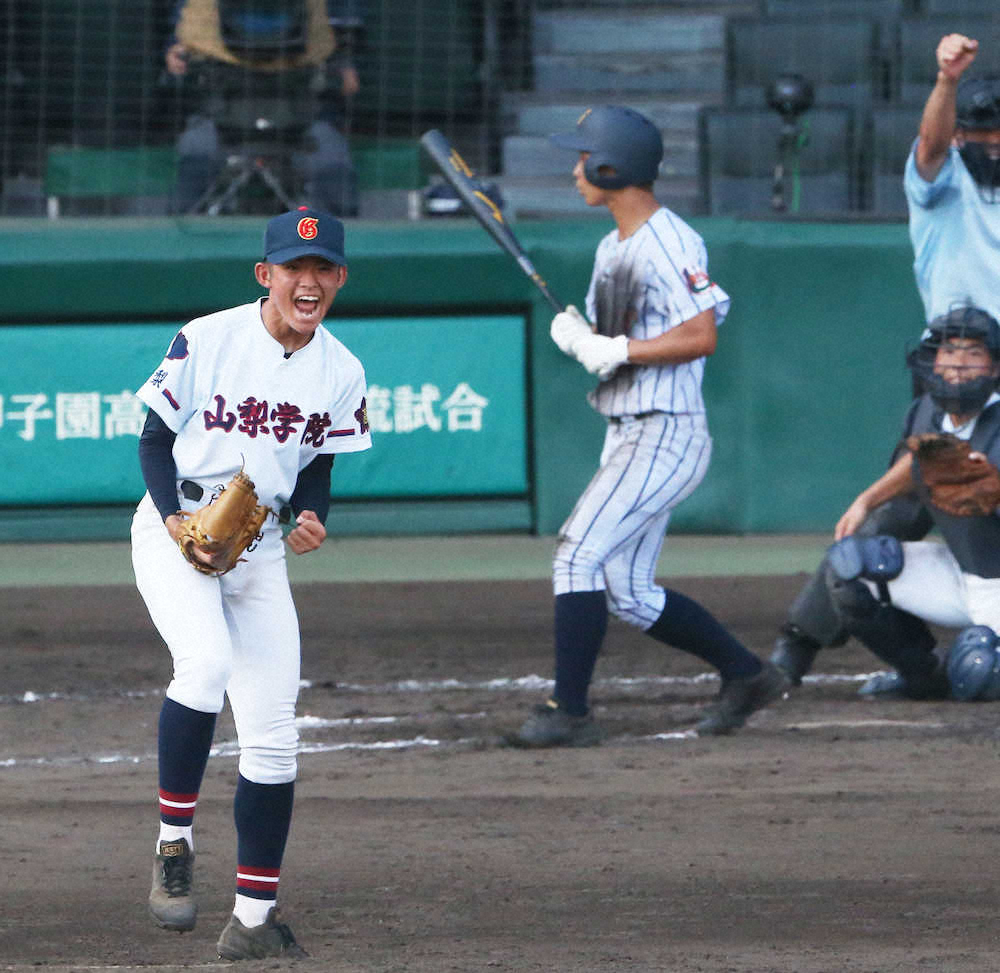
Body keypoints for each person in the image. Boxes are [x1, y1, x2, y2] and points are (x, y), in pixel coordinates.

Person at [132, 206, 371, 958]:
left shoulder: (342, 369)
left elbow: (319, 467)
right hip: (176, 527)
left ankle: (255, 921)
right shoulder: (210, 338)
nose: (309, 281)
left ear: (338, 279)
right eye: (293, 269)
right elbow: (154, 439)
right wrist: (172, 518)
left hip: (258, 547)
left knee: (274, 736)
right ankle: (173, 844)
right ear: (265, 275)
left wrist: (311, 516)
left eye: (322, 269)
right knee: (203, 666)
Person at [508, 106, 789, 747]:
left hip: (666, 431)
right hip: (630, 429)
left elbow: (701, 335)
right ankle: (748, 675)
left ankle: (568, 711)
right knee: (626, 590)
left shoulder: (671, 240)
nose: (575, 168)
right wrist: (585, 340)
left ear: (613, 166)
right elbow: (625, 341)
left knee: (577, 556)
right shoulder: (613, 246)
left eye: (584, 157)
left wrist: (620, 352)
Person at [768, 31, 1000, 688]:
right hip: (952, 375)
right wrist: (948, 84)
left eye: (995, 134)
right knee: (889, 516)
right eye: (974, 133)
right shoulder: (939, 183)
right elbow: (928, 147)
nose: (985, 144)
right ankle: (800, 642)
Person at [798, 306, 1000, 700]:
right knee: (852, 570)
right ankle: (923, 675)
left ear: (994, 368)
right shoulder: (927, 411)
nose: (958, 364)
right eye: (949, 351)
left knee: (978, 673)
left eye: (973, 353)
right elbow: (919, 460)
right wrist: (866, 500)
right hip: (966, 576)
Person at [165, 0, 360, 217]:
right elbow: (177, 52)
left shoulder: (320, 17)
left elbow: (345, 69)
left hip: (303, 116)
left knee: (331, 164)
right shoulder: (200, 16)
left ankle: (332, 245)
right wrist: (176, 52)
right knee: (197, 153)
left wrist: (342, 65)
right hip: (222, 115)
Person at [906, 32, 1000, 324]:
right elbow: (931, 148)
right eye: (982, 131)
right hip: (958, 350)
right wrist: (948, 79)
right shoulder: (945, 176)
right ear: (958, 135)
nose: (994, 140)